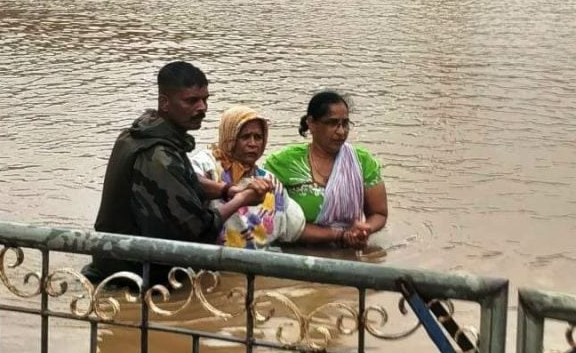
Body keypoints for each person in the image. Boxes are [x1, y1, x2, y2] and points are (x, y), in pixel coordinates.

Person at [84, 62, 266, 284]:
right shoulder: (158, 154)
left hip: (115, 263)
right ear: (165, 103)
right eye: (191, 101)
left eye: (205, 99)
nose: (202, 108)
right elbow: (197, 229)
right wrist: (242, 199)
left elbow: (187, 179)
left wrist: (227, 189)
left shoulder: (142, 134)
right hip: (134, 279)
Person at [191, 105, 370, 249]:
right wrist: (234, 191)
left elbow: (295, 228)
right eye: (245, 137)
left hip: (255, 268)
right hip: (213, 266)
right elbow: (191, 181)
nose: (253, 144)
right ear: (229, 137)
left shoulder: (269, 182)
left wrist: (342, 235)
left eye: (258, 137)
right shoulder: (209, 163)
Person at [264, 91, 388, 240]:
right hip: (295, 254)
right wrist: (339, 235)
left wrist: (364, 229)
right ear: (311, 124)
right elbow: (268, 217)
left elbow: (379, 213)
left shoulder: (362, 161)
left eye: (345, 124)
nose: (341, 131)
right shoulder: (283, 162)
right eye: (332, 123)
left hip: (347, 249)